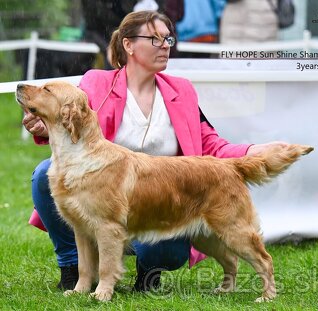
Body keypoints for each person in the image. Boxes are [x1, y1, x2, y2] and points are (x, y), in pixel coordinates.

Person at [22, 10, 286, 292]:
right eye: (155, 39)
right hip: (104, 191)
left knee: (167, 251)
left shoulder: (181, 90)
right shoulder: (96, 83)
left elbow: (209, 142)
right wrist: (42, 126)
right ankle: (73, 268)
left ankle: (148, 272)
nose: (165, 46)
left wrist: (252, 151)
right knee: (43, 176)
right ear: (128, 45)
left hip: (160, 198)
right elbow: (71, 122)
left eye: (168, 39)